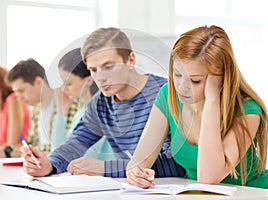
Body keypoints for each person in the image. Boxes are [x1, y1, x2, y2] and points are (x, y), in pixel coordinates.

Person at [21, 27, 186, 178]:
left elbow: (177, 163)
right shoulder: (101, 103)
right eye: (93, 70)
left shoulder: (166, 94)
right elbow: (76, 143)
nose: (100, 77)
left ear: (130, 60)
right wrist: (48, 164)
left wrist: (106, 168)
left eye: (108, 67)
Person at [126, 25, 268, 189]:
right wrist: (135, 173)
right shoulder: (168, 95)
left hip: (254, 194)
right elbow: (140, 160)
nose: (181, 87)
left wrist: (212, 101)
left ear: (221, 78)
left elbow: (208, 178)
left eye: (195, 80)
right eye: (177, 74)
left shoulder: (248, 110)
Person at [52, 47, 114, 160]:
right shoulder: (80, 113)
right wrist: (62, 111)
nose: (63, 89)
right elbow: (58, 154)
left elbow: (74, 159)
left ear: (89, 80)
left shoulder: (100, 112)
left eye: (68, 83)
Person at [6, 58, 79, 153]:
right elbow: (31, 146)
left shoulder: (68, 102)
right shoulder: (36, 111)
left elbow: (64, 148)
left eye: (21, 91)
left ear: (38, 82)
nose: (19, 98)